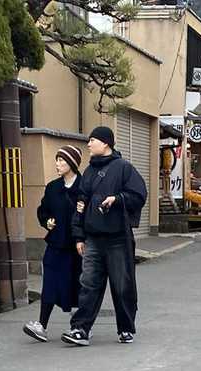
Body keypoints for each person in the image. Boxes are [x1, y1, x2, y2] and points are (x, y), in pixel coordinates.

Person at [61, 126, 148, 347]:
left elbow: (139, 195)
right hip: (93, 238)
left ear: (105, 143)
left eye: (93, 140)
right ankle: (81, 328)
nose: (89, 144)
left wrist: (117, 199)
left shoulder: (123, 168)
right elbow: (80, 204)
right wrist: (78, 236)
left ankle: (126, 328)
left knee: (122, 285)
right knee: (88, 283)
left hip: (118, 238)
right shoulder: (89, 171)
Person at [24, 145, 84, 342]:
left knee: (77, 285)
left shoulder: (84, 187)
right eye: (57, 160)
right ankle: (41, 325)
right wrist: (46, 221)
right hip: (55, 244)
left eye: (62, 161)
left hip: (77, 247)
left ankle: (80, 327)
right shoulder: (52, 187)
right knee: (49, 283)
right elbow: (43, 210)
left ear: (72, 163)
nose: (58, 164)